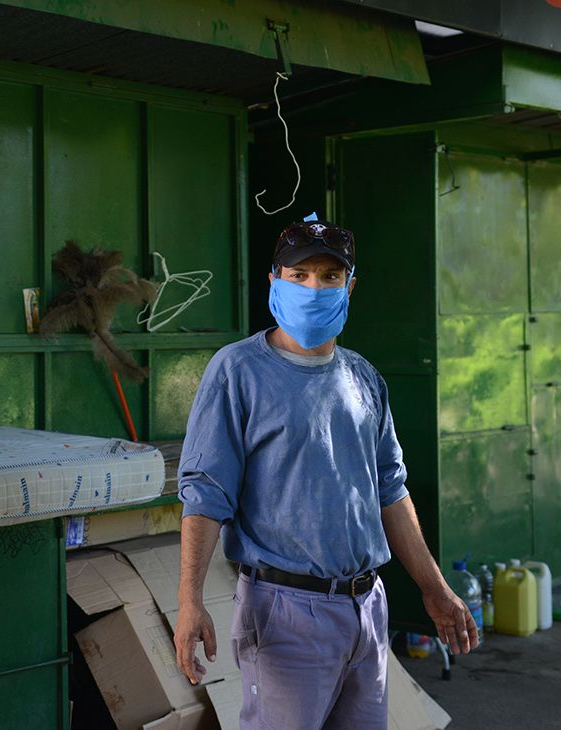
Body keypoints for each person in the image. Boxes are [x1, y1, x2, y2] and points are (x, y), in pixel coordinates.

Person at [173, 218, 478, 729]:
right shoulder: (238, 372)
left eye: (329, 276)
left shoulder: (363, 378)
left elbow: (390, 489)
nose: (313, 287)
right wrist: (189, 602)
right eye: (299, 275)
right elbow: (206, 495)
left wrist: (433, 586)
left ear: (349, 285)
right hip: (284, 613)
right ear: (274, 280)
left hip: (366, 608)